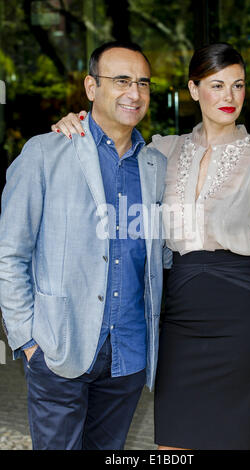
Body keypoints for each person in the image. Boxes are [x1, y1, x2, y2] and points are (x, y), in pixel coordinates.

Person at [50, 43, 250, 450]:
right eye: (217, 85)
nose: (229, 97)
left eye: (238, 86)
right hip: (177, 316)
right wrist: (74, 123)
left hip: (243, 315)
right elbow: (110, 149)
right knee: (172, 446)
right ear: (194, 89)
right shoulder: (160, 152)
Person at [0, 41, 168, 450]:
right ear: (91, 87)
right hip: (59, 346)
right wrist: (27, 339)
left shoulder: (157, 164)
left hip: (128, 352)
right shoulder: (45, 152)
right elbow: (10, 252)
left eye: (143, 83)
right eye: (122, 80)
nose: (134, 92)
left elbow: (164, 253)